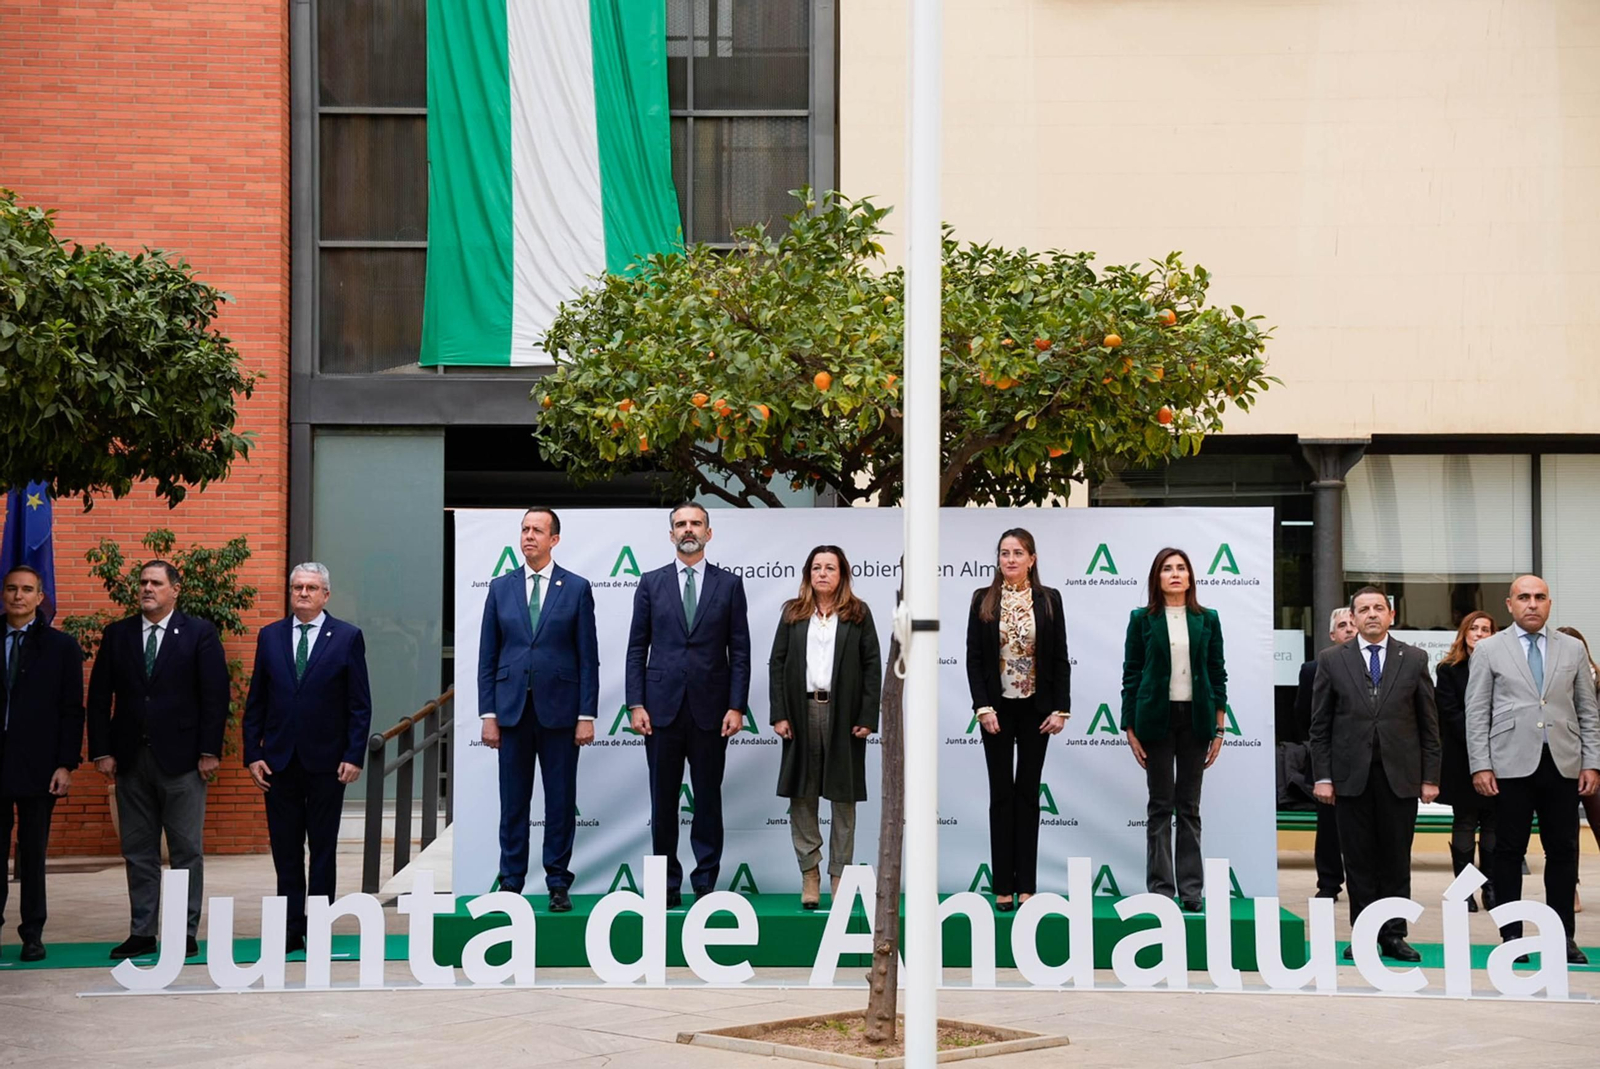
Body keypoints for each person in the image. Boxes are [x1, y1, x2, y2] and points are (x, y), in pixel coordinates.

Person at [87, 560, 230, 960]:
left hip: (183, 760)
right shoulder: (118, 634)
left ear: (175, 590)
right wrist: (102, 750)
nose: (147, 589)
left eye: (156, 583)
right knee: (138, 850)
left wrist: (209, 751)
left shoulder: (199, 633)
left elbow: (215, 697)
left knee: (186, 850)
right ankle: (142, 931)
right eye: (143, 582)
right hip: (130, 759)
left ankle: (183, 931)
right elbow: (99, 698)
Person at [1467, 576, 1598, 964]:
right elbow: (1477, 712)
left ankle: (1563, 939)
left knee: (1563, 851)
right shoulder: (1490, 649)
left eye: (1539, 597)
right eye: (1524, 597)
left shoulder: (1572, 649)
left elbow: (1587, 711)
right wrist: (1481, 765)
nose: (1532, 604)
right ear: (1509, 604)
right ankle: (1512, 938)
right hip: (1509, 764)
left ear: (1549, 603)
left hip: (1563, 763)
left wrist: (1591, 761)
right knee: (1507, 852)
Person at [626, 502, 750, 908]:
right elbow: (635, 649)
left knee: (708, 800)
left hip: (712, 711)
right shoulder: (650, 583)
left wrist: (736, 706)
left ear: (708, 533)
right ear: (671, 534)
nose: (688, 529)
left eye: (695, 523)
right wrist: (635, 703)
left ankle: (705, 882)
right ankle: (665, 884)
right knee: (663, 802)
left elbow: (741, 652)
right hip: (660, 710)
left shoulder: (729, 585)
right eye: (680, 524)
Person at [242, 563, 372, 952]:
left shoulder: (347, 637)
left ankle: (318, 924)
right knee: (285, 847)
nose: (303, 593)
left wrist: (354, 754)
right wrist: (253, 753)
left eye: (311, 588)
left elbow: (359, 704)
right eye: (297, 587)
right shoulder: (270, 636)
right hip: (278, 761)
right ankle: (289, 926)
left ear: (325, 595)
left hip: (328, 762)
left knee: (322, 848)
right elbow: (256, 702)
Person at [477, 508, 599, 911]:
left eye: (537, 531)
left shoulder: (576, 588)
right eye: (525, 530)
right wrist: (488, 714)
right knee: (514, 801)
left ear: (554, 540)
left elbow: (588, 656)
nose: (529, 536)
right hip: (511, 712)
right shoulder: (500, 588)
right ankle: (510, 881)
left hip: (561, 713)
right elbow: (488, 657)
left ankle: (557, 882)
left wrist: (586, 715)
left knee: (560, 802)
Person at [1309, 586, 1439, 962]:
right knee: (1359, 860)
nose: (1371, 615)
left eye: (1378, 608)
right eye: (1363, 609)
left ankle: (1395, 934)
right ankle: (1364, 933)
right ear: (1351, 618)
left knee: (1396, 859)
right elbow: (1321, 726)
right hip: (1350, 778)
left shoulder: (1413, 658)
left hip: (1400, 777)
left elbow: (1429, 725)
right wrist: (1323, 776)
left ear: (1391, 615)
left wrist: (1430, 777)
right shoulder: (1332, 660)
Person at [769, 546, 881, 909]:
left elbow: (872, 667)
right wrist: (779, 714)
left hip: (844, 714)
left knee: (843, 798)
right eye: (816, 567)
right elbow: (777, 663)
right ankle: (810, 873)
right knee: (802, 795)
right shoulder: (793, 613)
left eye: (829, 568)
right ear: (808, 574)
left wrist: (867, 716)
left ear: (842, 574)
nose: (822, 573)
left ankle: (839, 876)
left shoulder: (858, 614)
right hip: (801, 712)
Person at [965, 528, 1070, 911]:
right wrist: (983, 707)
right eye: (1004, 553)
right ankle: (1003, 887)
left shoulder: (1048, 599)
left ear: (1032, 559)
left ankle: (1027, 884)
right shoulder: (983, 599)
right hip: (996, 710)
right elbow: (974, 659)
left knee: (1028, 795)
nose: (1010, 559)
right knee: (1001, 796)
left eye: (1018, 553)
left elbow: (1060, 657)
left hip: (1037, 710)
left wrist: (1061, 709)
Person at [1120, 547, 1228, 912]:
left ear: (1190, 577)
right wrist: (1130, 728)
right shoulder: (1141, 619)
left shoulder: (1208, 619)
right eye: (1168, 569)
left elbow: (1217, 672)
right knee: (1160, 806)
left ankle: (1191, 890)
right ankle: (1162, 890)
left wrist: (1220, 727)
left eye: (1181, 568)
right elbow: (1131, 674)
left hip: (1196, 720)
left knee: (1189, 808)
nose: (1175, 574)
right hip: (1155, 719)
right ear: (1158, 578)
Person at [0, 565, 83, 961]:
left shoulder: (61, 647)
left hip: (39, 768)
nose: (18, 596)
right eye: (12, 589)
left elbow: (71, 711)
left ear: (40, 597)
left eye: (27, 590)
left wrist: (66, 764)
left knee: (32, 855)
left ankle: (32, 933)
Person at [1434, 611, 1497, 913]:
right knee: (1465, 822)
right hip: (1462, 759)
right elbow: (1448, 712)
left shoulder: (1504, 667)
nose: (1480, 633)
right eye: (1474, 628)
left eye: (1486, 629)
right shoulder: (1448, 670)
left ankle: (1491, 888)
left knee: (1493, 825)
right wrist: (1478, 740)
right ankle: (1464, 891)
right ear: (1464, 633)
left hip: (1500, 757)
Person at [1295, 607, 1357, 900]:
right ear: (1332, 635)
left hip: (1366, 761)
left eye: (1352, 624)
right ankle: (1329, 884)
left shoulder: (1377, 665)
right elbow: (1302, 717)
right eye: (1342, 625)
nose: (1349, 629)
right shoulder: (1313, 669)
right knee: (1329, 827)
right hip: (1328, 760)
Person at [1557, 624, 1600, 914]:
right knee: (1564, 832)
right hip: (1563, 764)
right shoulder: (1551, 683)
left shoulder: (1596, 681)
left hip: (1594, 764)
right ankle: (1569, 890)